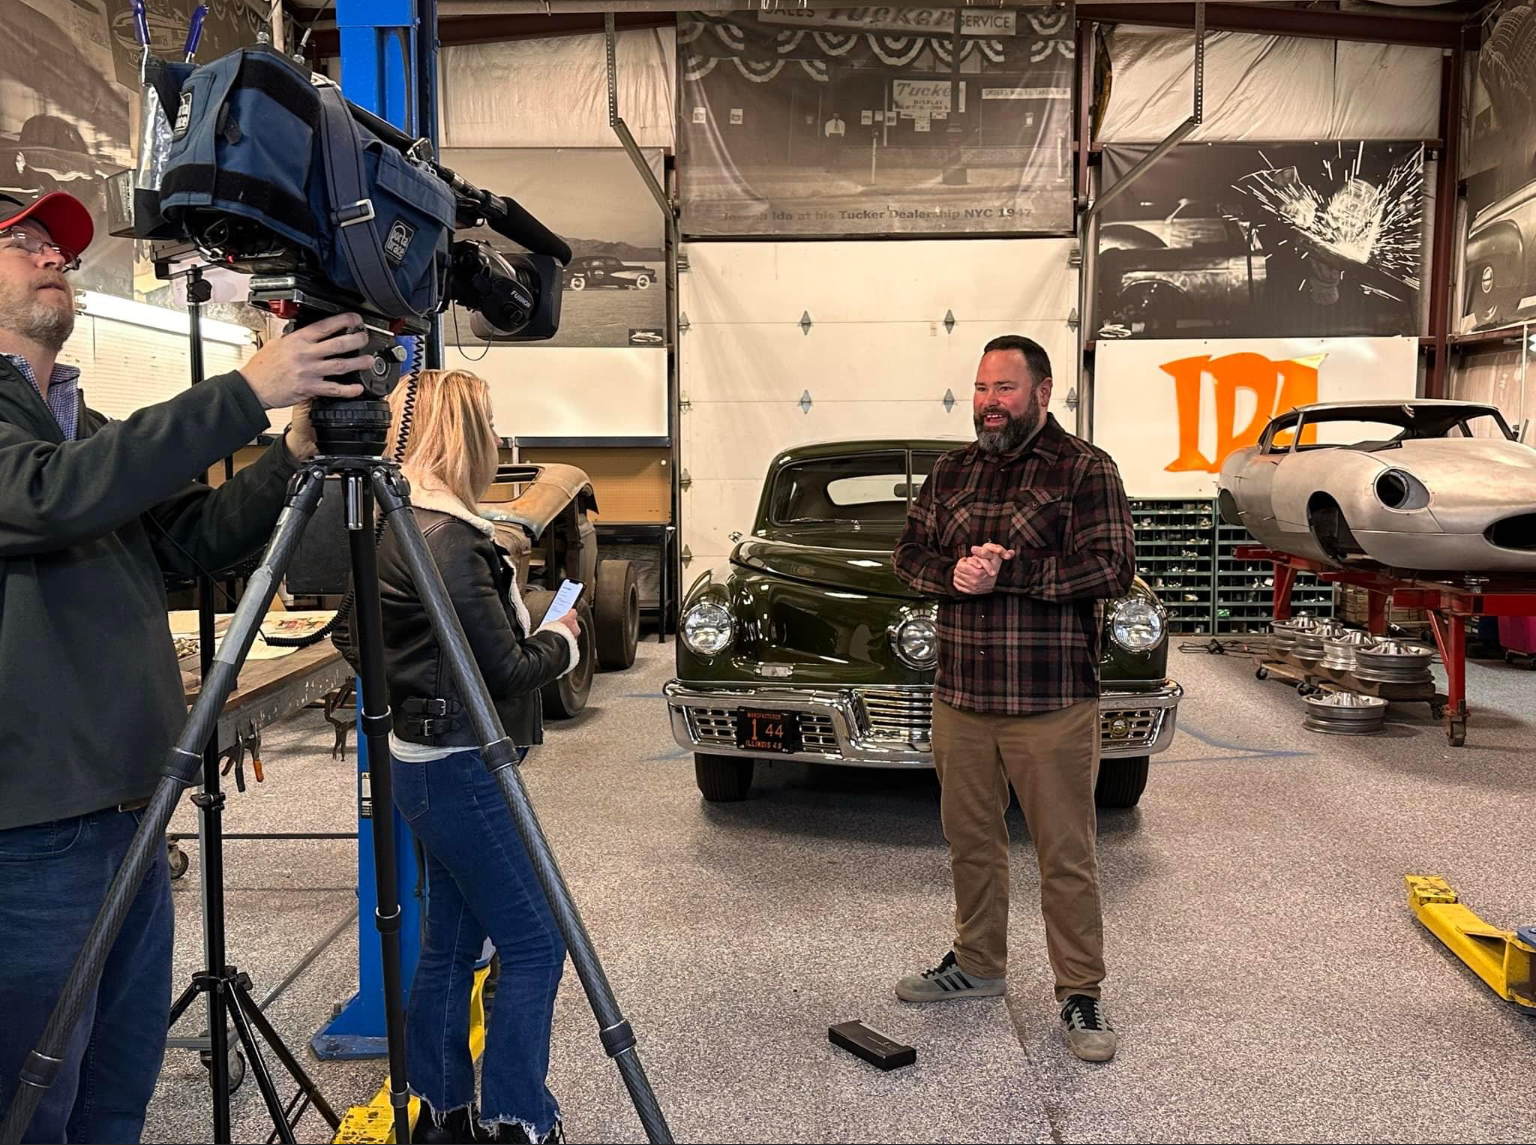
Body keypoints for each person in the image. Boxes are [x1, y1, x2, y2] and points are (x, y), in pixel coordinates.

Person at [0, 188, 376, 1144]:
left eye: (58, 246)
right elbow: (47, 498)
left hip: (130, 809)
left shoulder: (82, 426)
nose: (52, 256)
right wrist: (247, 390)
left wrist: (289, 452)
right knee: (31, 1101)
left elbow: (194, 539)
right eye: (23, 241)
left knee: (115, 1091)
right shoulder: (52, 453)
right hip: (30, 828)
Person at [336, 369, 581, 1145]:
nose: (499, 440)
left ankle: (442, 1114)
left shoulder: (395, 524)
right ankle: (518, 1119)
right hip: (463, 767)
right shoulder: (451, 540)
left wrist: (409, 683)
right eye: (490, 426)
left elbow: (351, 634)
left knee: (450, 941)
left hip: (418, 761)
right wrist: (562, 638)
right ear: (465, 437)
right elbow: (507, 669)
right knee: (537, 941)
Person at [891, 334, 1136, 1063]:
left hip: (1050, 700)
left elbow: (1112, 567)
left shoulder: (1084, 468)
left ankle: (1080, 990)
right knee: (970, 840)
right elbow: (907, 555)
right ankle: (978, 964)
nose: (989, 403)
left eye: (1004, 388)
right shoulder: (951, 471)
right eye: (981, 388)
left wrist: (1013, 572)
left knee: (1066, 852)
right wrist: (952, 573)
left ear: (1042, 391)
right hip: (962, 695)